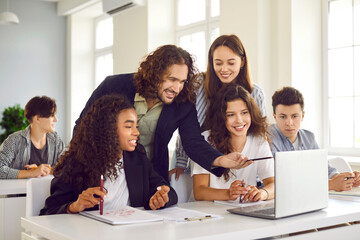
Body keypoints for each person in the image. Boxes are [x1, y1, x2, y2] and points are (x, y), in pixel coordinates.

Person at [73, 45, 251, 183]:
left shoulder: (183, 103)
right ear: (154, 74)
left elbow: (193, 142)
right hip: (104, 171)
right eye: (172, 80)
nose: (177, 88)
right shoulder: (114, 86)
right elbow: (83, 125)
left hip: (148, 177)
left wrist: (221, 160)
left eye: (182, 81)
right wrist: (77, 165)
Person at [40, 95, 178, 215]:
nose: (136, 132)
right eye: (129, 127)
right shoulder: (77, 162)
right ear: (108, 130)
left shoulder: (137, 156)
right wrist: (74, 206)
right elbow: (48, 212)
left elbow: (167, 191)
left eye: (136, 126)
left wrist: (161, 199)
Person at [170, 34, 266, 180]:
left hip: (240, 166)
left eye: (231, 63)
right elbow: (186, 129)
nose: (224, 69)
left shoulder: (256, 93)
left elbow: (258, 135)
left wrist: (259, 173)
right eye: (218, 63)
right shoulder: (198, 85)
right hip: (198, 162)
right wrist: (181, 163)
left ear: (242, 62)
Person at [268, 87, 360, 192]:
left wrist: (347, 180)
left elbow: (326, 168)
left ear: (302, 116)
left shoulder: (309, 137)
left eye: (294, 116)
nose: (289, 122)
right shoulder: (267, 138)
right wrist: (330, 184)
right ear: (275, 116)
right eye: (283, 117)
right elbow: (282, 181)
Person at [192, 84, 274, 202]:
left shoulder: (259, 141)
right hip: (209, 211)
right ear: (221, 117)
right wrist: (228, 194)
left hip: (243, 212)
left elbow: (273, 184)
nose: (239, 120)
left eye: (244, 112)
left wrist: (262, 193)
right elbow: (199, 191)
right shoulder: (206, 140)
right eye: (230, 115)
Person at [0, 96, 64, 179]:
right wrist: (30, 173)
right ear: (37, 118)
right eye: (51, 115)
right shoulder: (14, 140)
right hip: (19, 192)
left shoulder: (56, 140)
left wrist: (47, 170)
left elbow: (67, 169)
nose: (56, 119)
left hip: (47, 192)